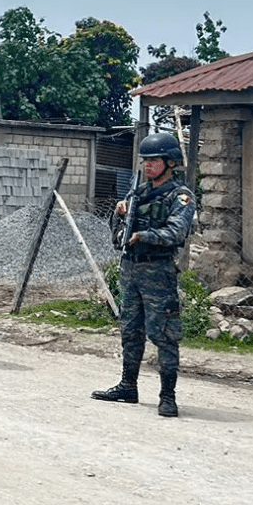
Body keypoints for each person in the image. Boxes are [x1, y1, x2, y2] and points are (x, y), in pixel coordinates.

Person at [92, 132, 197, 418]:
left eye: (154, 161)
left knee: (164, 334)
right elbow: (117, 237)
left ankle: (168, 396)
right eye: (145, 161)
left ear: (170, 163)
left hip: (158, 271)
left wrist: (144, 235)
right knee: (130, 330)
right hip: (130, 269)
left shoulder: (181, 196)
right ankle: (128, 385)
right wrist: (119, 214)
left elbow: (176, 232)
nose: (147, 166)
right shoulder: (135, 193)